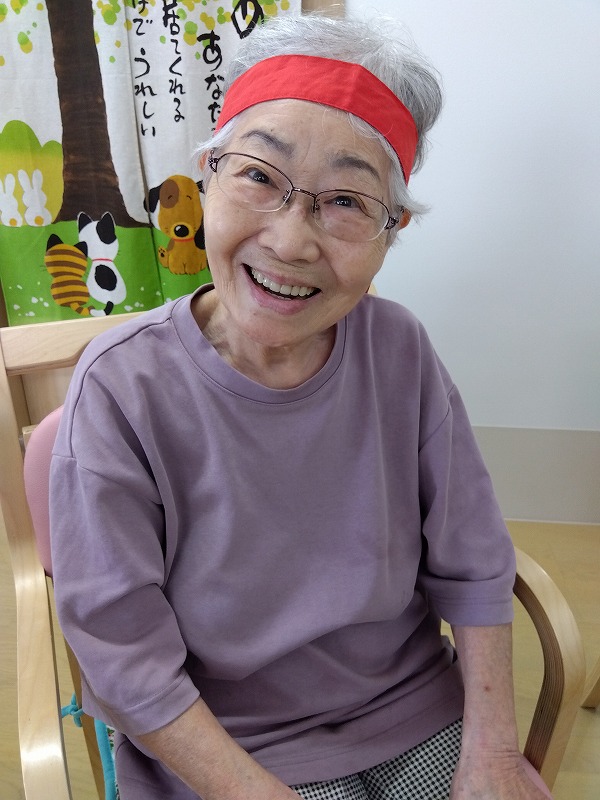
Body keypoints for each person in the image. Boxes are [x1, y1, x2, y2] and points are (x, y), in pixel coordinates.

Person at [50, 13, 552, 800]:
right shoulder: (121, 388)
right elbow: (122, 653)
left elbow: (475, 555)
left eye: (346, 200)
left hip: (414, 713)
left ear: (392, 231)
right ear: (207, 177)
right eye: (258, 176)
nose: (290, 242)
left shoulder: (399, 350)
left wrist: (490, 754)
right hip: (227, 745)